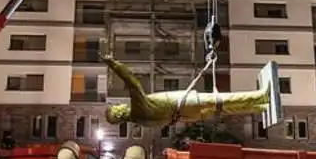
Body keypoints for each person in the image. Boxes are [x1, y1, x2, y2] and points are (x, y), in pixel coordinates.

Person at [101, 54, 272, 126]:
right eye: (117, 108)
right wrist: (114, 64)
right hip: (183, 104)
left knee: (223, 109)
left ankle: (259, 107)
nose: (120, 105)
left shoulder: (140, 120)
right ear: (119, 115)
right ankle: (260, 96)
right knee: (222, 100)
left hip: (185, 115)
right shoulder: (138, 110)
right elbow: (133, 83)